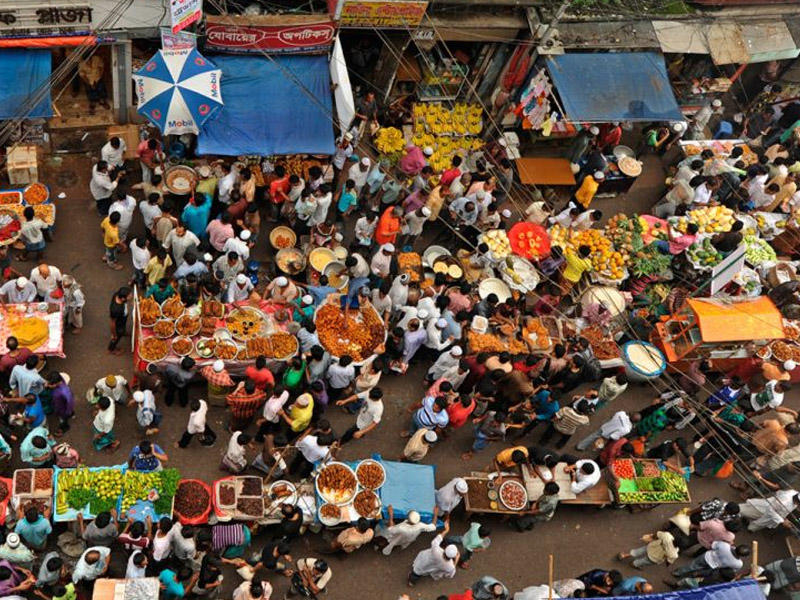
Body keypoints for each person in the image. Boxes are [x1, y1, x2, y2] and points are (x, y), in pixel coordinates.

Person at [108, 286, 130, 354]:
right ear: (123, 298)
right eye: (129, 296)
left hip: (122, 320)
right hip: (118, 325)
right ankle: (111, 349)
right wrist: (114, 334)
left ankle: (123, 332)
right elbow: (112, 323)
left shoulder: (117, 295)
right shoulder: (116, 310)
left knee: (122, 330)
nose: (131, 296)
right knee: (116, 337)